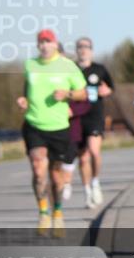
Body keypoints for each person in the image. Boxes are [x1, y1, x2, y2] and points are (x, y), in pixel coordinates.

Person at [16, 29, 88, 237]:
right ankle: (43, 212)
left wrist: (67, 93)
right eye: (41, 42)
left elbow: (83, 94)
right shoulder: (30, 65)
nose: (44, 45)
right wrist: (24, 101)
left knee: (56, 177)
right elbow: (27, 90)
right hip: (34, 125)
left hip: (58, 128)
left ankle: (57, 212)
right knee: (38, 169)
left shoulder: (67, 66)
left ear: (55, 44)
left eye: (48, 41)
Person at [72, 37, 114, 208]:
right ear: (76, 50)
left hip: (95, 115)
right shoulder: (71, 69)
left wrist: (107, 90)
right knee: (83, 159)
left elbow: (111, 88)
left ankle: (95, 182)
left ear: (91, 50)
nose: (83, 50)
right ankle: (87, 191)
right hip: (76, 117)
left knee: (94, 152)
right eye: (80, 47)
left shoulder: (100, 69)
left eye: (86, 47)